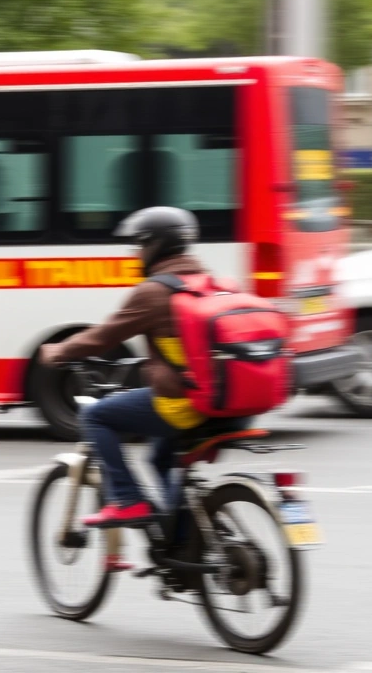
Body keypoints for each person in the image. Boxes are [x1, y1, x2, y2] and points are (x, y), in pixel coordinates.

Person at [39, 206, 248, 534]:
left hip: (186, 406)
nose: (136, 253)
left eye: (138, 245)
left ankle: (127, 499)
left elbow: (101, 338)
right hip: (233, 403)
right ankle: (183, 540)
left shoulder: (155, 292)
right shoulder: (210, 282)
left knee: (96, 416)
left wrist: (57, 351)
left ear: (154, 246)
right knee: (159, 458)